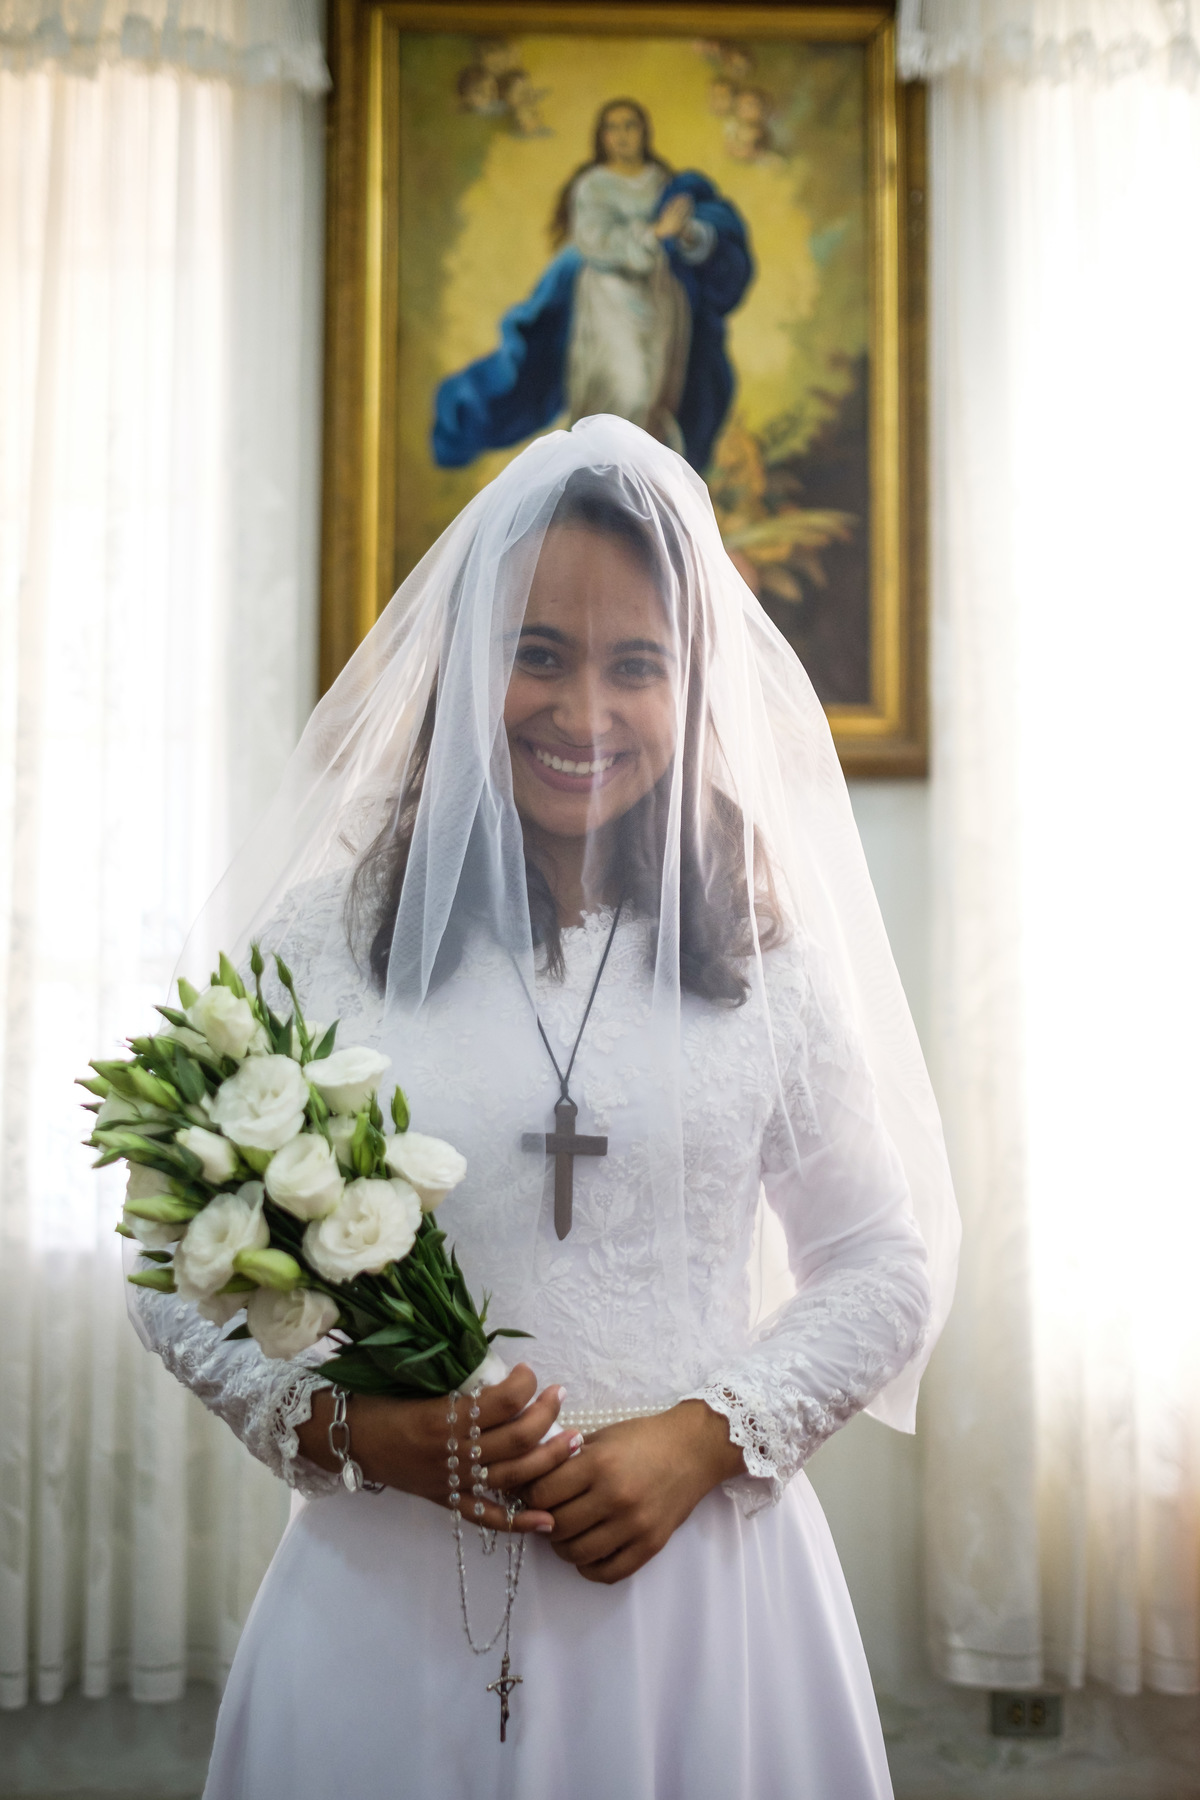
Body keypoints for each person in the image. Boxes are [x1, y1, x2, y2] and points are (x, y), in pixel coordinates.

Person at [134, 416, 958, 1799]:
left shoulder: (763, 963)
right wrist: (355, 1432)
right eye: (537, 653)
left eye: (636, 664)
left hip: (700, 1600)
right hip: (392, 1598)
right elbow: (171, 1261)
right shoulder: (324, 948)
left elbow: (881, 1263)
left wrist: (704, 1437)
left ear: (693, 683)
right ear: (465, 665)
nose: (584, 712)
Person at [432, 102, 753, 474]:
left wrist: (685, 233)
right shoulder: (593, 186)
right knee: (627, 388)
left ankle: (638, 483)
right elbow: (596, 241)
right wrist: (654, 234)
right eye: (613, 128)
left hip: (662, 301)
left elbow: (688, 229)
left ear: (644, 132)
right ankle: (601, 480)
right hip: (609, 300)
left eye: (630, 126)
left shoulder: (664, 182)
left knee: (657, 393)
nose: (622, 136)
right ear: (602, 137)